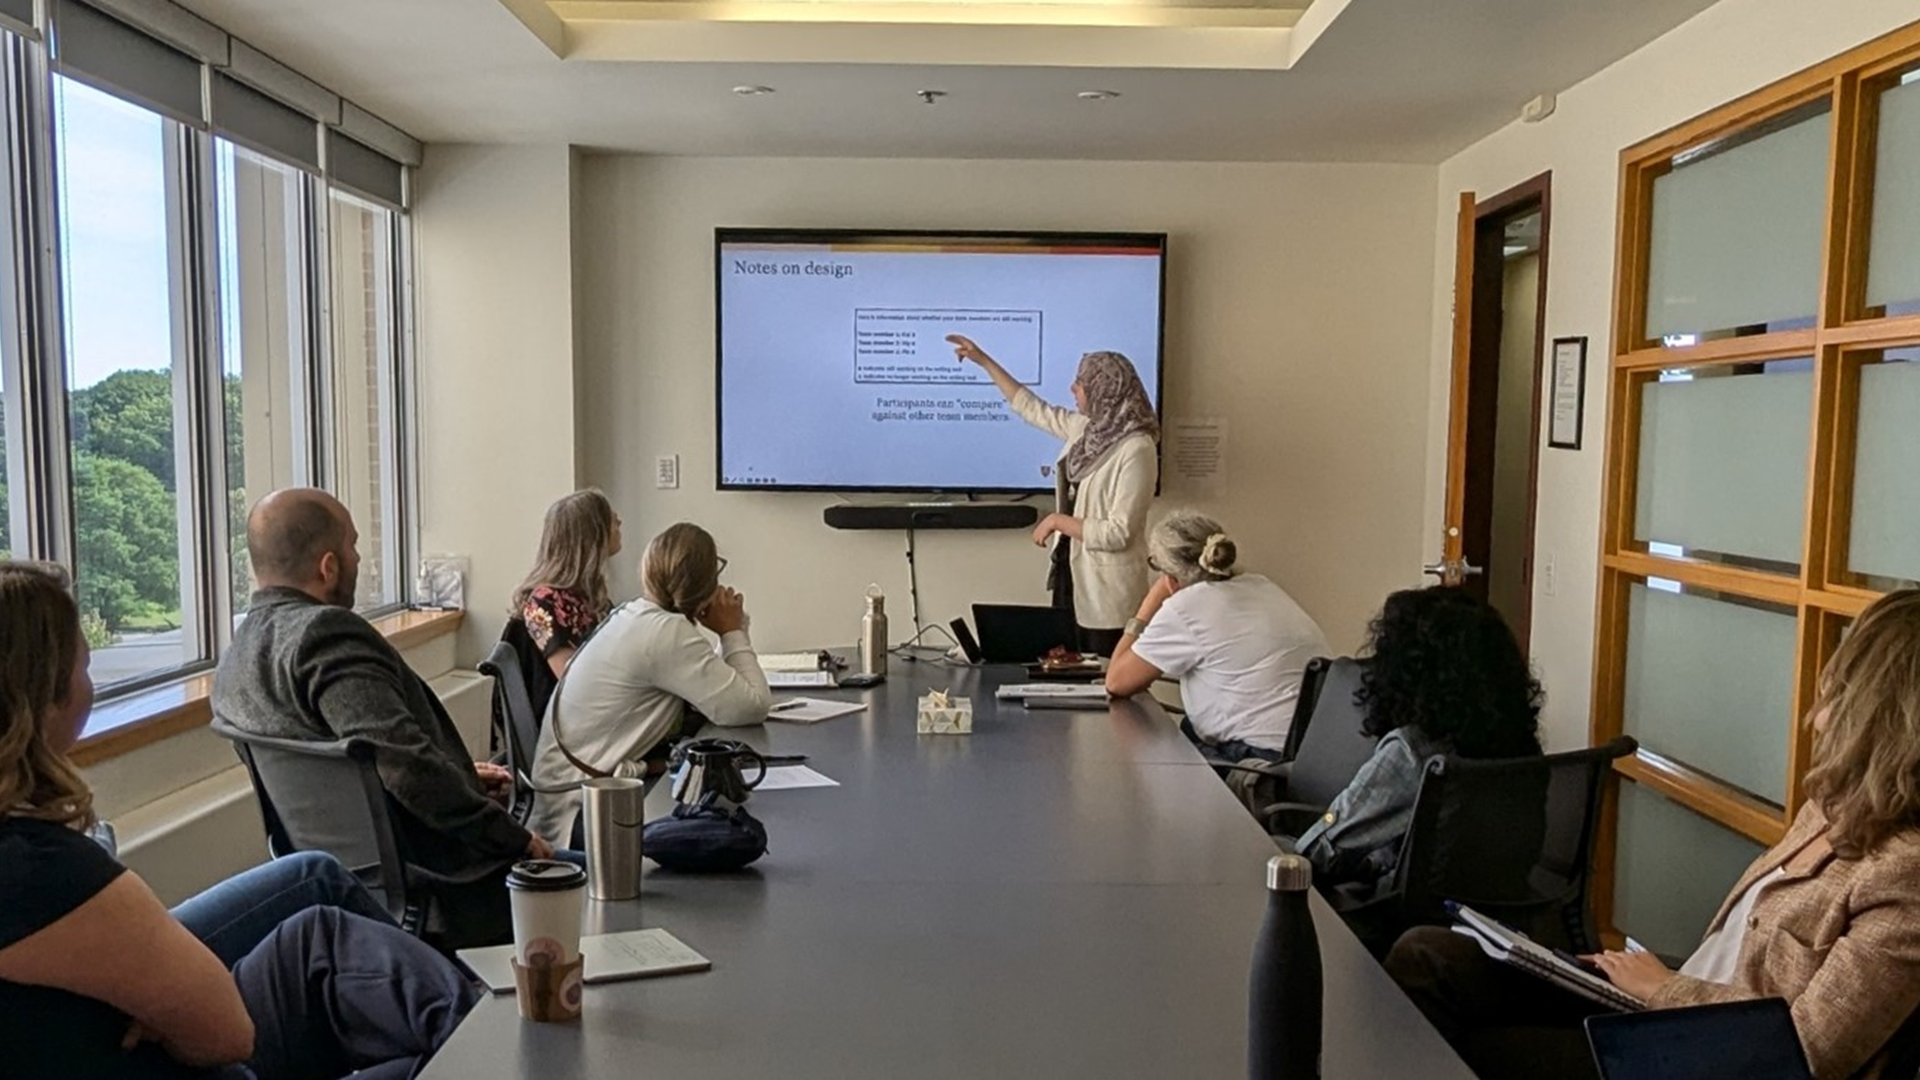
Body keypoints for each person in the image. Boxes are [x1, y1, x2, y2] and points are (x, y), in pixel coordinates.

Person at [1386, 589, 1920, 1080]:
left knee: (1477, 1048)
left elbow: (1806, 1052)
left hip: (1698, 1058)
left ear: (1880, 718)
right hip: (1664, 1007)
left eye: (1836, 701)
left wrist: (1666, 988)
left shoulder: (1905, 875)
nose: (1817, 719)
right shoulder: (1831, 810)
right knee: (1428, 956)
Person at [0, 560, 479, 1079]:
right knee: (413, 1037)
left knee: (315, 895)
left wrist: (150, 996)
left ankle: (481, 1031)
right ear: (43, 692)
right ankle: (492, 1041)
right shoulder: (36, 868)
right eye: (85, 667)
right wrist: (165, 999)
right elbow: (228, 1033)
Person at [212, 488, 563, 948]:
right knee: (612, 878)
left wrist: (458, 774)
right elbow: (407, 769)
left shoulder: (234, 661)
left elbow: (348, 770)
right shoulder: (325, 634)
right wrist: (513, 838)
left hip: (348, 888)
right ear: (329, 566)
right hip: (442, 887)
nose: (360, 558)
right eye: (354, 545)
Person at [528, 522, 772, 846]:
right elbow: (750, 706)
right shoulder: (665, 634)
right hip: (579, 812)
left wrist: (732, 631)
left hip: (568, 793)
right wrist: (731, 631)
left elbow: (716, 690)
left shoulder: (638, 615)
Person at [1291, 586, 1542, 889]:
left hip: (1396, 924)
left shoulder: (1411, 755)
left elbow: (1319, 854)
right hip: (1493, 919)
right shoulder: (1523, 748)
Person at [947, 333, 1158, 656]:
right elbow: (1032, 408)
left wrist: (1059, 521)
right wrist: (984, 361)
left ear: (1104, 390)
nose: (1073, 389)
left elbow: (1120, 532)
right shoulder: (1087, 429)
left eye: (1080, 382)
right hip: (1070, 576)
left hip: (1110, 597)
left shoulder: (1137, 448)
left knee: (1103, 686)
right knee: (1066, 674)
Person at [1104, 512, 1330, 763]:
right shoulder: (1260, 584)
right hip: (1310, 754)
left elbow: (1116, 682)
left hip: (1258, 761)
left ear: (1170, 577)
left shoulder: (1187, 607)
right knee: (1186, 729)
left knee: (1146, 762)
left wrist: (1150, 603)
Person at [502, 489, 623, 723]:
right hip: (566, 728)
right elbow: (575, 684)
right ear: (590, 535)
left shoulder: (589, 597)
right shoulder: (545, 603)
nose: (618, 520)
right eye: (610, 517)